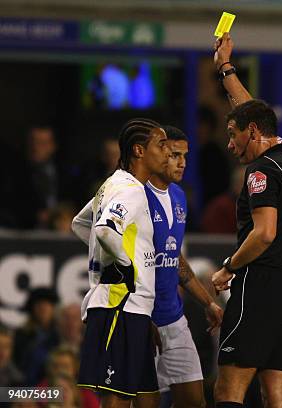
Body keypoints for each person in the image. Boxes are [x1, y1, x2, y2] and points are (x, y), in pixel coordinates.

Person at [211, 41, 282, 408]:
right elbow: (253, 111)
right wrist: (226, 70)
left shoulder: (262, 170)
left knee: (228, 391)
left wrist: (228, 267)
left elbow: (265, 233)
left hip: (258, 286)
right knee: (278, 395)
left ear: (252, 132)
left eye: (234, 135)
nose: (230, 144)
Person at [71, 118, 169, 407]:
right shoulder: (131, 189)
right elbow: (103, 230)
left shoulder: (113, 184)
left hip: (133, 308)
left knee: (147, 399)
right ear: (139, 150)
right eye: (161, 145)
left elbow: (81, 224)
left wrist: (104, 256)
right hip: (120, 305)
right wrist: (125, 266)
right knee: (116, 401)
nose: (167, 152)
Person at [144, 125, 223, 407]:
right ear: (158, 153)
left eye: (185, 156)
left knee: (194, 401)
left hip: (174, 320)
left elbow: (173, 257)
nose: (182, 163)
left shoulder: (179, 196)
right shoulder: (133, 194)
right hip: (142, 321)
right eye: (175, 155)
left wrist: (208, 303)